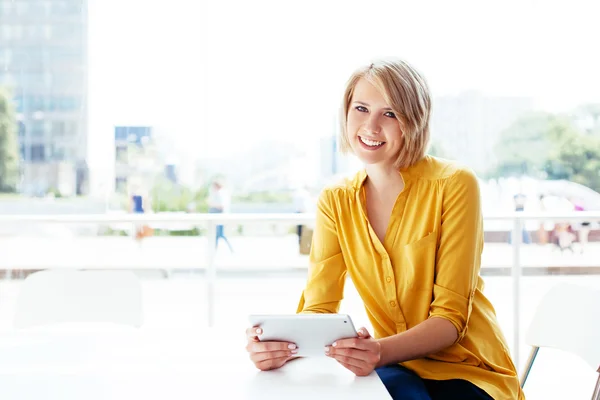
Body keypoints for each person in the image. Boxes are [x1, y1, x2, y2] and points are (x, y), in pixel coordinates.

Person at [245, 59, 524, 400]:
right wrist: (282, 347)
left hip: (469, 370)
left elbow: (450, 321)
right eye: (361, 108)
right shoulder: (336, 200)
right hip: (398, 365)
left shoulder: (454, 184)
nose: (371, 126)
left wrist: (377, 351)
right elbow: (319, 308)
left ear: (414, 121)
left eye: (390, 114)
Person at [207, 178, 233, 252]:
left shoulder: (221, 193)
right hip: (217, 216)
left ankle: (214, 249)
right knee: (218, 234)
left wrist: (213, 205)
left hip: (219, 216)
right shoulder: (218, 193)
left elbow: (222, 206)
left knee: (219, 234)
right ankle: (214, 249)